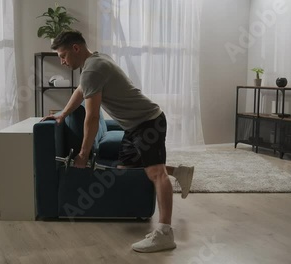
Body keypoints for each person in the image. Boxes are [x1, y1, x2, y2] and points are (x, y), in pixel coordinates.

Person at [42, 30, 194, 253]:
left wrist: (83, 154)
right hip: (134, 126)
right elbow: (81, 89)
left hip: (148, 122)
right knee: (127, 167)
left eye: (63, 55)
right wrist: (63, 114)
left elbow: (92, 117)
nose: (62, 61)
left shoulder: (93, 69)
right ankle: (179, 172)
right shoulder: (94, 62)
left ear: (76, 48)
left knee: (155, 173)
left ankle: (165, 234)